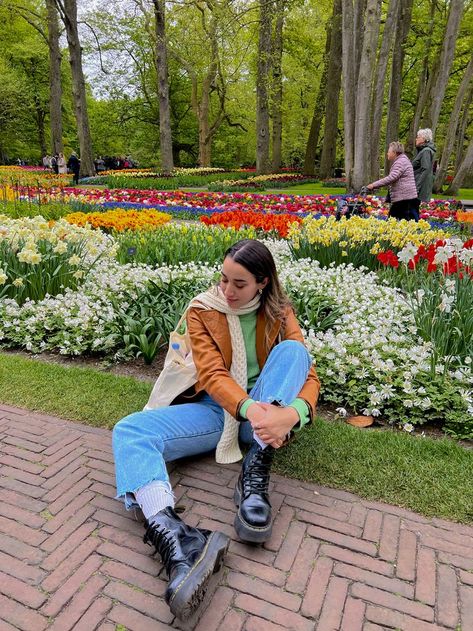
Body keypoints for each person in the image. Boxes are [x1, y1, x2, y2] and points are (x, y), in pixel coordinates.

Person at [112, 239, 320, 620]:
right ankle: (177, 538)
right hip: (217, 411)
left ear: (263, 282)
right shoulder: (202, 310)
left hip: (264, 417)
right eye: (224, 279)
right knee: (130, 431)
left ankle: (255, 472)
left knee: (295, 353)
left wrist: (292, 416)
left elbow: (308, 377)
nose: (227, 291)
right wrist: (253, 411)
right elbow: (211, 374)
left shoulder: (280, 312)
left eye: (239, 284)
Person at [367, 141, 420, 221]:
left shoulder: (400, 162)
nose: (387, 154)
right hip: (407, 198)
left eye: (388, 151)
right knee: (406, 222)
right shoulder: (403, 160)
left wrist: (373, 185)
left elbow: (392, 177)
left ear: (394, 153)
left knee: (393, 221)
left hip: (403, 199)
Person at [412, 128, 436, 203]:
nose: (416, 139)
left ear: (424, 139)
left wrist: (417, 188)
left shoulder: (426, 151)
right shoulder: (423, 151)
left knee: (413, 209)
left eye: (418, 137)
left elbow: (425, 170)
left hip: (420, 187)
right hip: (419, 185)